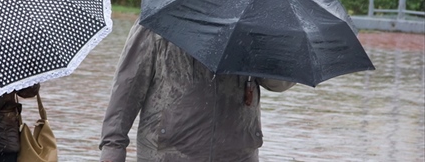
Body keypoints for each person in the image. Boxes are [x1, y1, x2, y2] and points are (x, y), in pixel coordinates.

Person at [99, 21, 295, 162]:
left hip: (239, 153)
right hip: (170, 154)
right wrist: (112, 148)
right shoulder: (157, 22)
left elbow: (276, 83)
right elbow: (127, 89)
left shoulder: (252, 25)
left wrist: (275, 51)